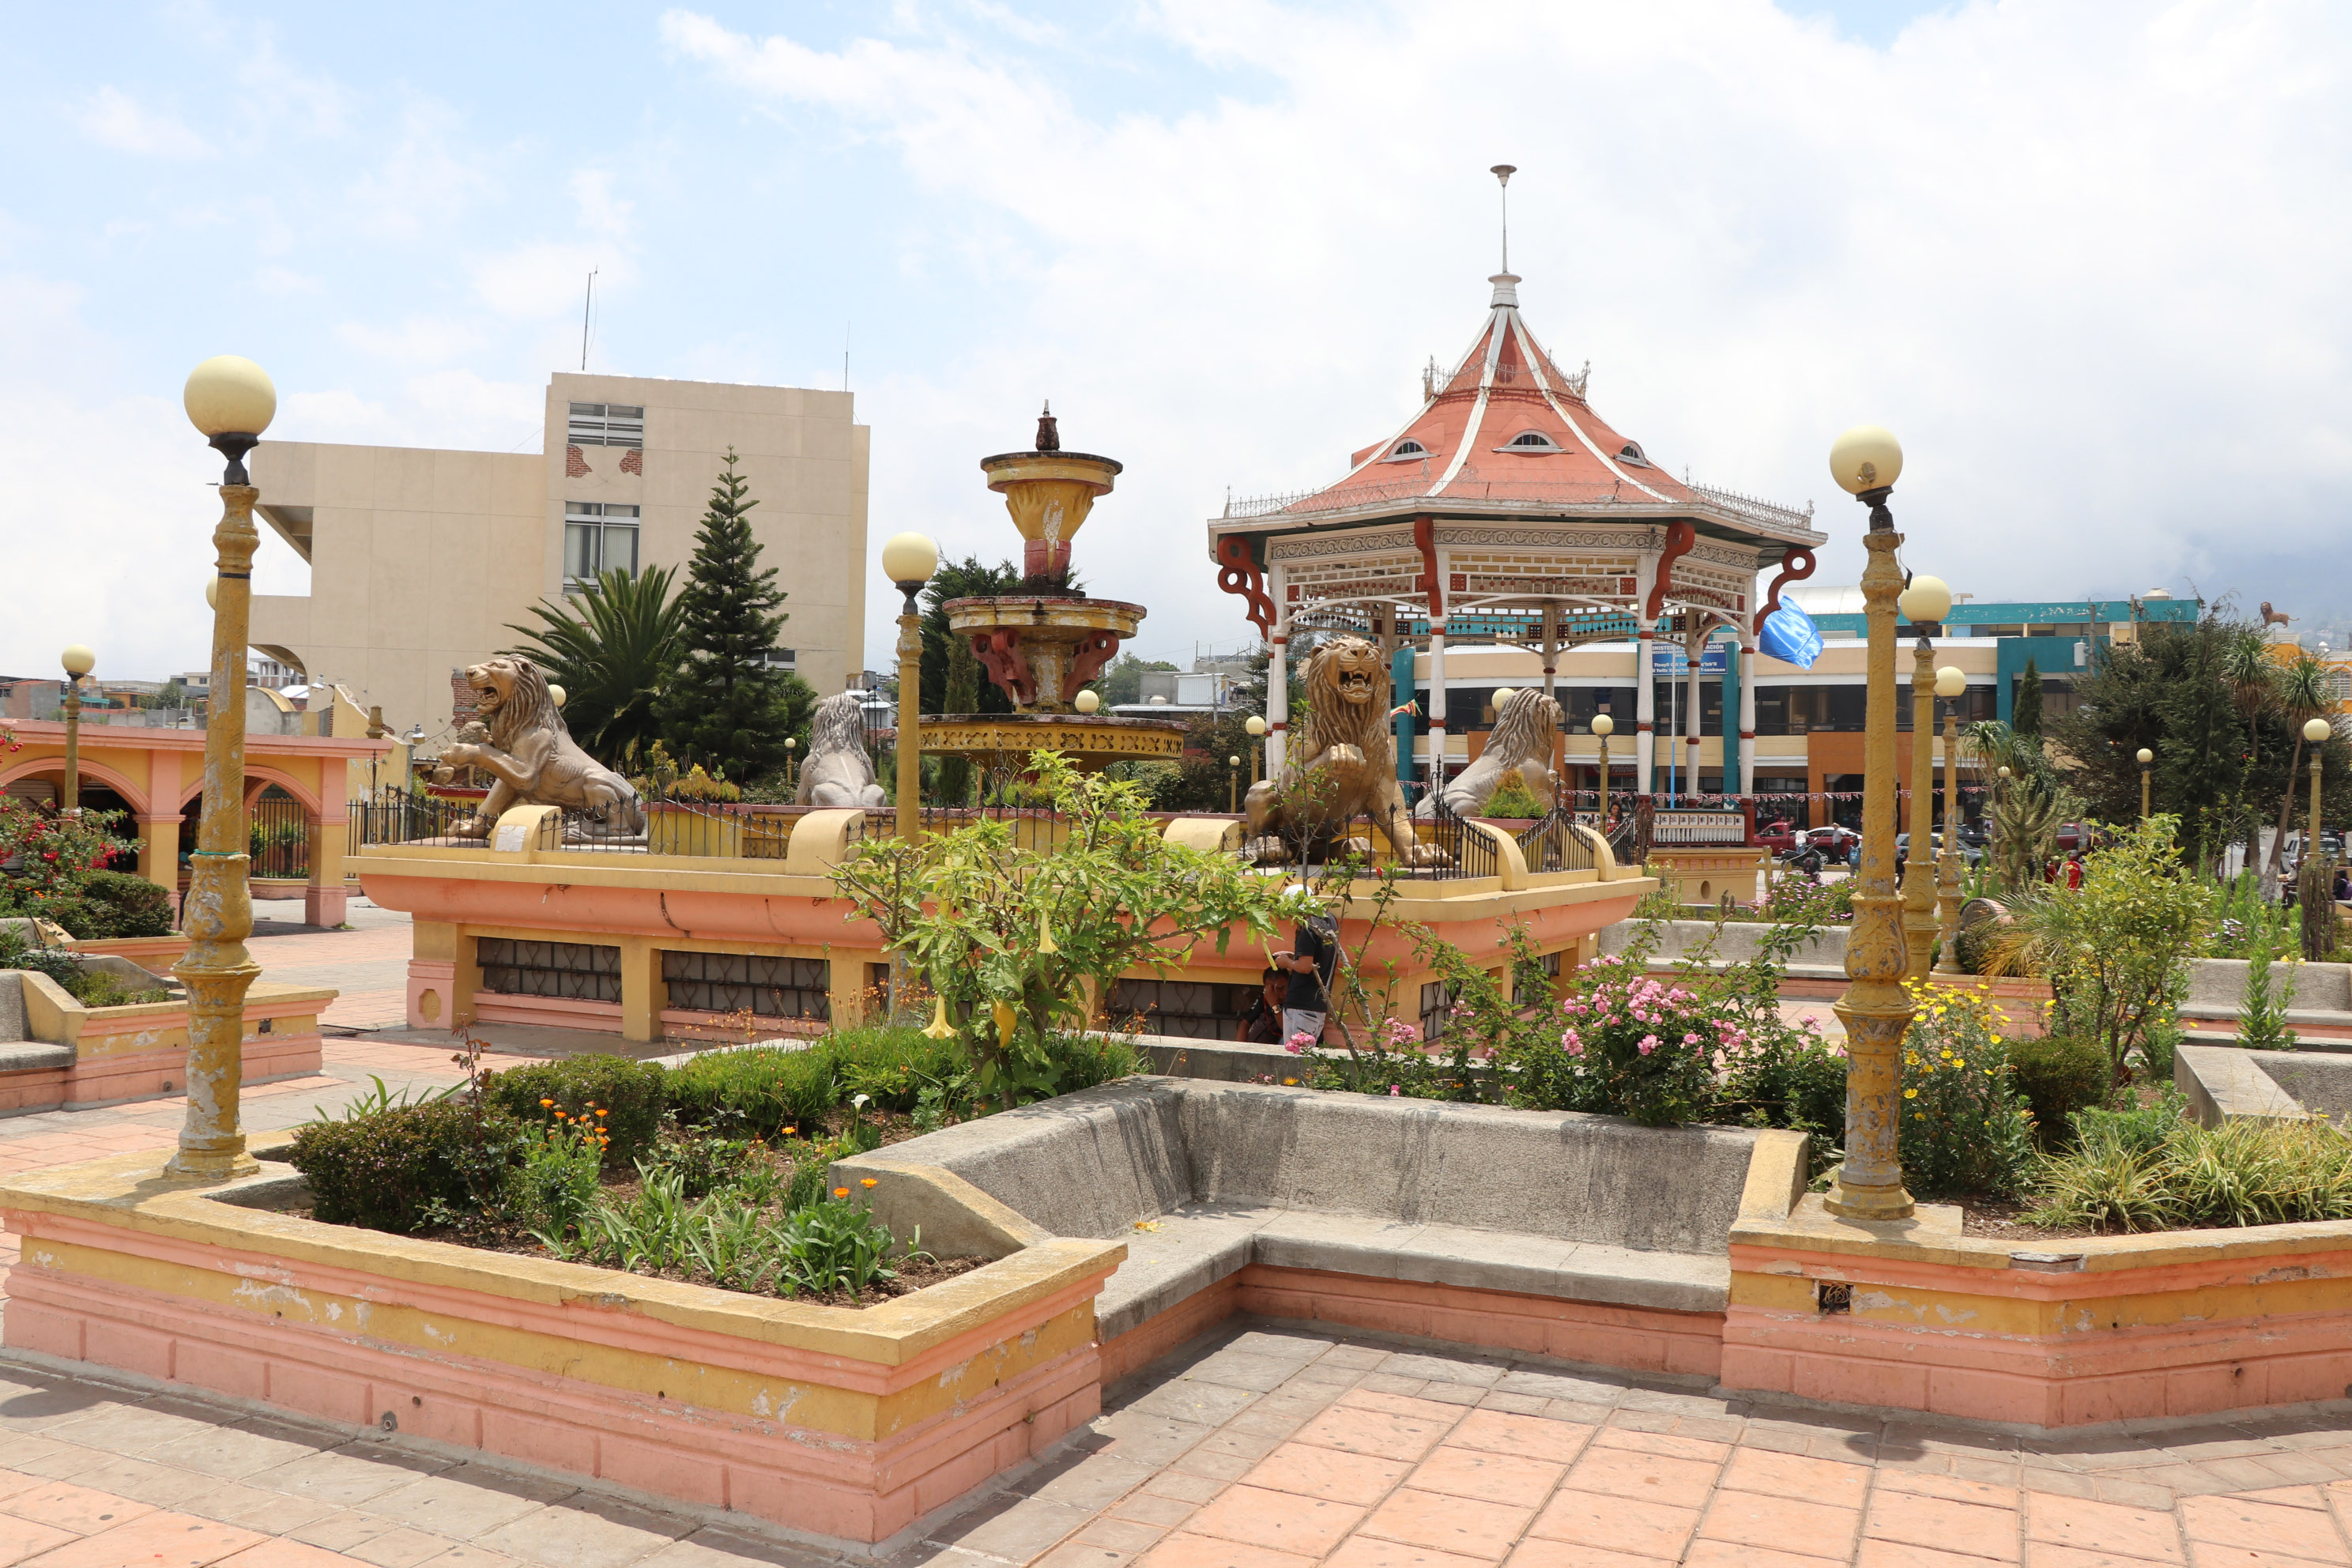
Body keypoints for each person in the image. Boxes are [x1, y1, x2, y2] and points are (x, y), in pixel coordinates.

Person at [1272, 905, 1341, 1048]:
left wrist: (1287, 962)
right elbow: (1316, 957)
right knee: (1306, 1056)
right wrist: (1295, 957)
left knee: (1297, 1057)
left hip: (1302, 1006)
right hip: (1318, 1004)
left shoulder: (1307, 927)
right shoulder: (1329, 920)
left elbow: (1305, 967)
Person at [1235, 967, 1287, 1045]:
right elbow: (1245, 1023)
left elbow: (1286, 1029)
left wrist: (1274, 1005)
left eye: (1281, 988)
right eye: (1271, 990)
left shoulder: (1293, 1000)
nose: (1277, 994)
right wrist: (1238, 1049)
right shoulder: (1265, 998)